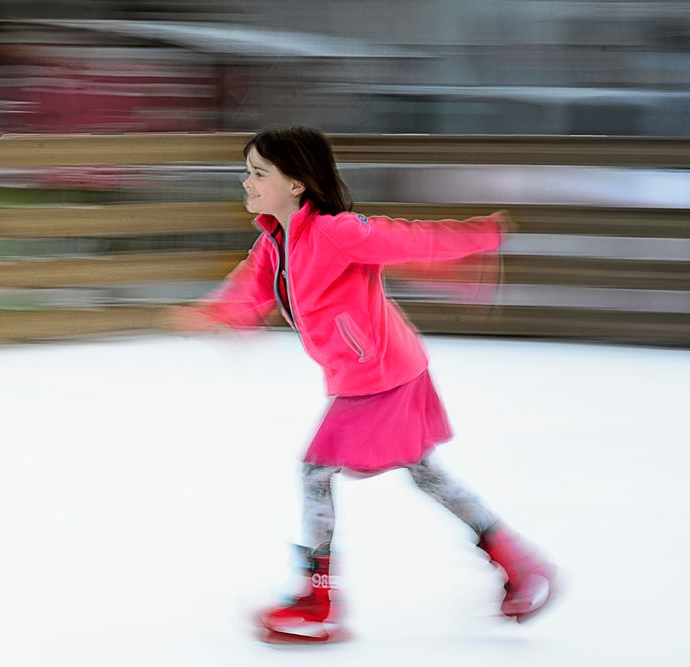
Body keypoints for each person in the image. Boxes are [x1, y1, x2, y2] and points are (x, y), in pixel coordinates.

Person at [165, 127, 555, 642]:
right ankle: (518, 564)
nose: (247, 182)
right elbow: (247, 290)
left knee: (315, 472)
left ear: (298, 183)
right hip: (379, 371)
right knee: (424, 473)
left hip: (382, 376)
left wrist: (480, 236)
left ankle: (318, 599)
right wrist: (210, 315)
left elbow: (409, 239)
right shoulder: (273, 242)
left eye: (260, 174)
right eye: (248, 172)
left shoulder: (336, 230)